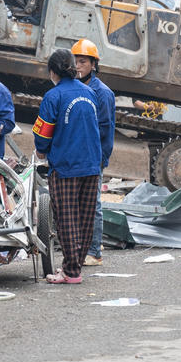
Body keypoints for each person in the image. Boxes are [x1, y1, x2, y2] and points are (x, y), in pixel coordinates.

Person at [33, 48, 101, 284]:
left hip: (66, 166)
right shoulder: (90, 93)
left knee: (67, 219)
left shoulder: (53, 96)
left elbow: (43, 136)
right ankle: (76, 267)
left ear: (52, 72)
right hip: (92, 165)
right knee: (85, 218)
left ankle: (71, 272)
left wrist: (40, 151)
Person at [71, 39, 115, 267]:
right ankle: (83, 246)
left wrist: (99, 160)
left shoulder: (102, 93)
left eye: (83, 61)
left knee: (93, 204)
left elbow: (105, 129)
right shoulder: (75, 88)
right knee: (78, 204)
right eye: (75, 61)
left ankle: (94, 251)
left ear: (93, 64)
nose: (78, 66)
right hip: (77, 155)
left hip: (93, 157)